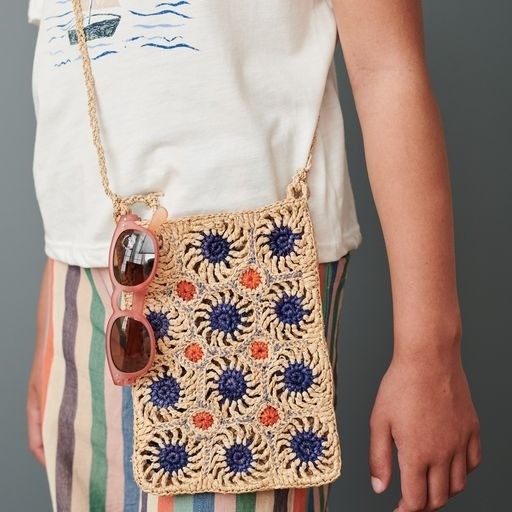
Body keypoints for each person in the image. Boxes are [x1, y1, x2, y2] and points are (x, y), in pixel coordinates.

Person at [25, 1, 480, 511]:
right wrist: (54, 310)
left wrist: (430, 352)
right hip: (87, 286)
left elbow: (387, 68)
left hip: (251, 271)